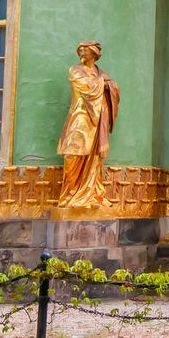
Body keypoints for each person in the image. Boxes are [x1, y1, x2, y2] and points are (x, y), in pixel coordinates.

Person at [57, 42, 121, 211]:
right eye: (81, 51)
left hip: (98, 120)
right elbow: (86, 87)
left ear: (94, 53)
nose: (82, 53)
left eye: (85, 51)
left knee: (94, 158)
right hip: (80, 117)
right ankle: (70, 194)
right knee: (73, 154)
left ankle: (92, 193)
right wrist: (103, 83)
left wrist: (109, 85)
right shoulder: (75, 71)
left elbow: (113, 87)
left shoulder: (101, 73)